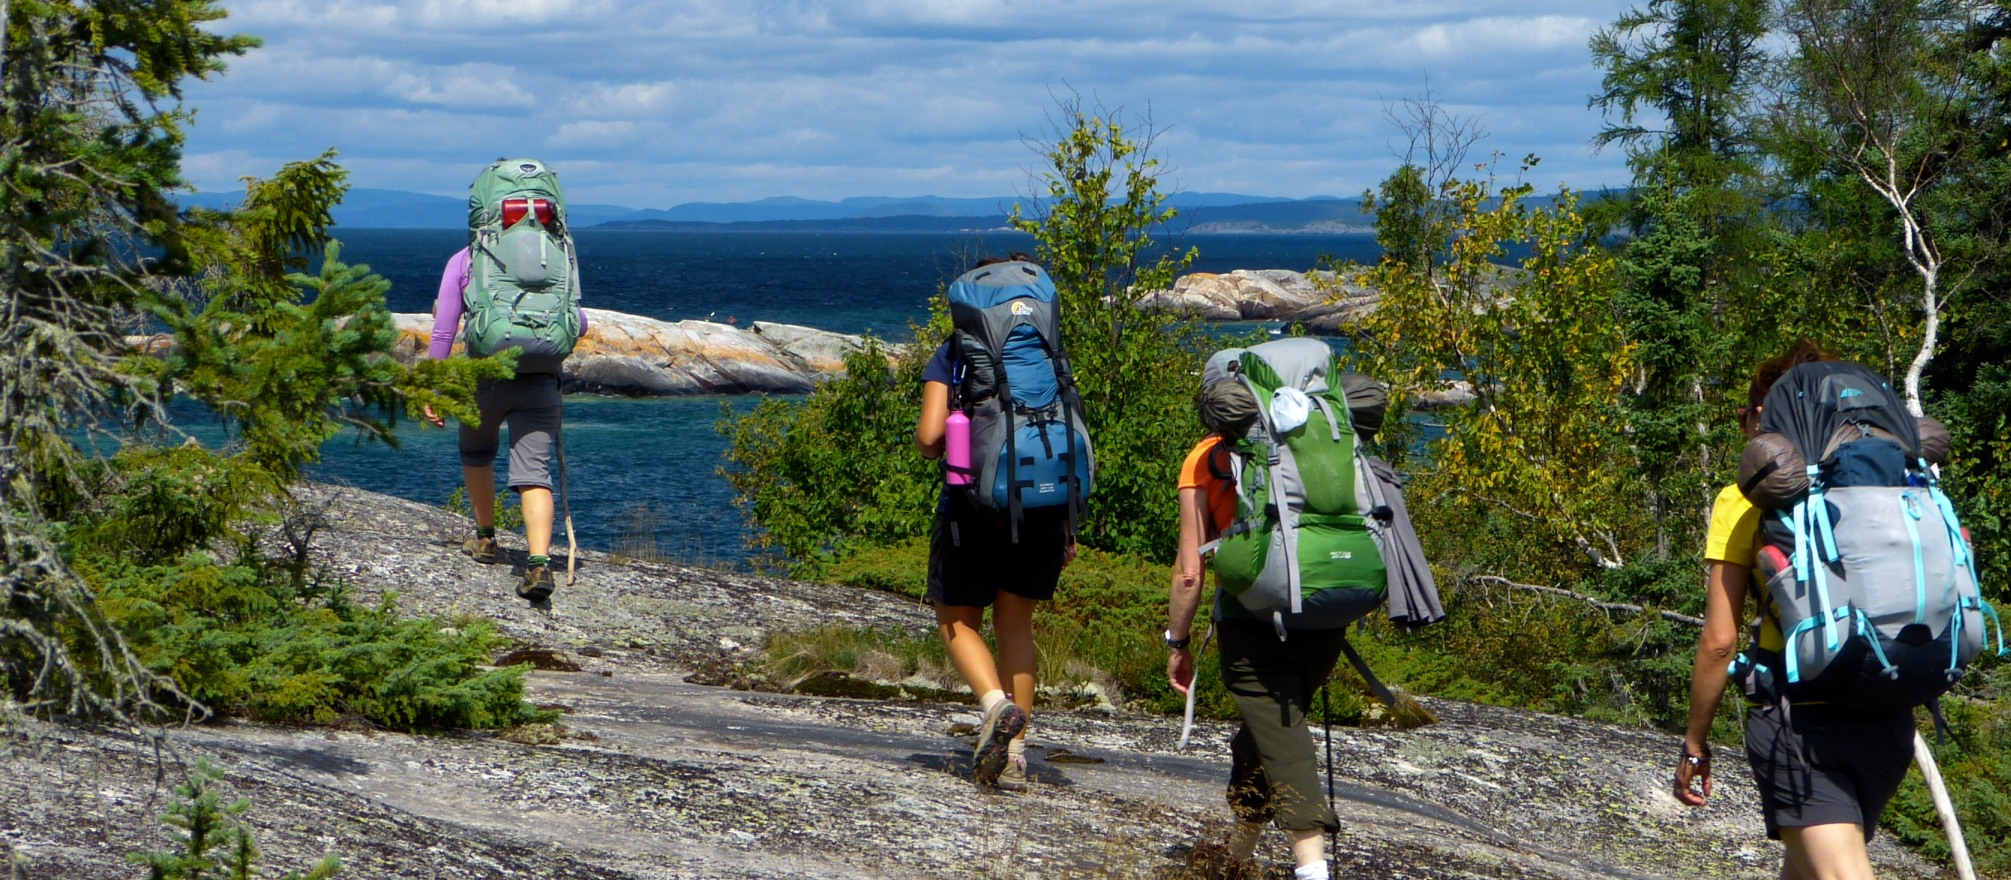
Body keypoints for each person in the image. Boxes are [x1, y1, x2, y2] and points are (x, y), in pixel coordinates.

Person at [1675, 340, 1917, 880]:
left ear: (1765, 416)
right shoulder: (1893, 485)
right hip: (1889, 709)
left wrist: (1694, 743)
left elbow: (1719, 639)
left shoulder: (1744, 499)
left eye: (1745, 414)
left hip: (1801, 719)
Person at [1166, 377, 1377, 880]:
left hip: (1251, 623)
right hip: (1323, 614)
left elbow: (1191, 569)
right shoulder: (1315, 438)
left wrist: (1178, 640)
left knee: (1283, 739)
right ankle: (1236, 856)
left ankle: (1312, 869)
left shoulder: (1206, 458)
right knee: (1260, 741)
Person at [915, 253, 1075, 793]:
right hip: (1046, 504)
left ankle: (994, 707)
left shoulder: (956, 351)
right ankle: (1017, 755)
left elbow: (930, 438)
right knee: (1016, 625)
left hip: (972, 505)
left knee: (955, 620)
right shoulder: (1048, 354)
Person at [421, 244, 587, 603]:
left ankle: (485, 539)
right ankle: (539, 564)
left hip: (484, 377)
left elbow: (443, 332)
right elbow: (580, 322)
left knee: (477, 452)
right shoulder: (557, 254)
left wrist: (434, 390)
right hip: (540, 381)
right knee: (534, 474)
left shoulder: (465, 258)